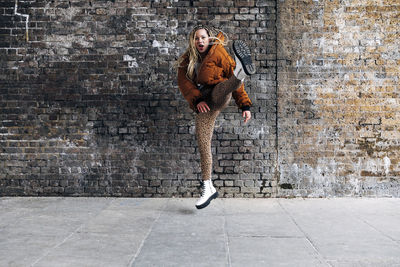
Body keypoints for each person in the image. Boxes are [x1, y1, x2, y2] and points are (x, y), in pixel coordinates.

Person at [176, 25, 255, 209]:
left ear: (209, 38)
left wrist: (244, 104)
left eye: (203, 37)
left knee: (223, 87)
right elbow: (184, 83)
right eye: (197, 38)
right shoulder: (187, 59)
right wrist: (196, 101)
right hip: (204, 103)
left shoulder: (218, 52)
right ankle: (208, 186)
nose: (200, 41)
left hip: (220, 93)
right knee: (203, 143)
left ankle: (239, 74)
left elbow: (231, 84)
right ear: (192, 41)